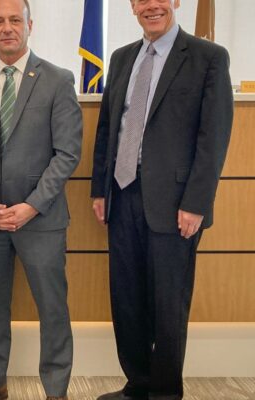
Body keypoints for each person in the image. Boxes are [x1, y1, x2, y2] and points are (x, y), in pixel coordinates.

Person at [90, 0, 233, 399]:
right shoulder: (121, 59)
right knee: (127, 300)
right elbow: (107, 128)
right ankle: (137, 385)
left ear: (175, 2)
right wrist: (99, 189)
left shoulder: (208, 58)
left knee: (168, 305)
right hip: (121, 197)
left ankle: (166, 392)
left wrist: (197, 203)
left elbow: (213, 137)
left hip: (175, 206)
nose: (151, 5)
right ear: (133, 6)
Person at [0, 0, 82, 399]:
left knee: (52, 310)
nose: (6, 27)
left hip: (40, 219)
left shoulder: (58, 80)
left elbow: (67, 154)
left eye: (15, 20)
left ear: (30, 25)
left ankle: (56, 389)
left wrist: (31, 205)